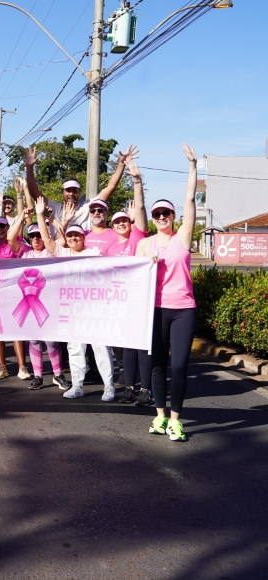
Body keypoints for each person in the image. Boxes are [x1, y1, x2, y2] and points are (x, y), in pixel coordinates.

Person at [136, 144, 198, 442]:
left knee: (180, 365)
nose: (161, 217)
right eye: (157, 213)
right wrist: (145, 264)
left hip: (183, 308)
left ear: (173, 216)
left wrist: (193, 166)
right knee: (158, 365)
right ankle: (159, 417)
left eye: (166, 213)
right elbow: (131, 276)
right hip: (155, 309)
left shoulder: (183, 237)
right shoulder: (145, 244)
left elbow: (189, 199)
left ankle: (176, 420)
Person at [39, 211, 115, 402]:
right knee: (75, 349)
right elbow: (47, 240)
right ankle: (77, 385)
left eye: (77, 235)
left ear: (83, 238)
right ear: (66, 238)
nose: (73, 238)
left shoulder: (93, 253)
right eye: (70, 235)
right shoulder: (63, 253)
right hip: (72, 311)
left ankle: (109, 386)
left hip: (94, 310)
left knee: (101, 348)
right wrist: (41, 216)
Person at [106, 158, 151, 405]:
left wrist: (136, 180)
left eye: (125, 220)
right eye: (117, 221)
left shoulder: (138, 236)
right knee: (125, 348)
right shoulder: (111, 247)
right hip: (118, 302)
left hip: (140, 299)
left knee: (143, 346)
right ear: (112, 226)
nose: (122, 223)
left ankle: (146, 389)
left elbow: (141, 211)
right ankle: (129, 387)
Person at [25, 144, 138, 230]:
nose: (71, 193)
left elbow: (111, 187)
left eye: (75, 190)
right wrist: (29, 168)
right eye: (68, 190)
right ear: (62, 193)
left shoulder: (89, 206)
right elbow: (33, 191)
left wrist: (121, 164)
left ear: (79, 192)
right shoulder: (54, 208)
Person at [0, 176, 31, 380]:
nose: (0, 229)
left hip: (14, 290)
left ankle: (22, 367)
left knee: (16, 329)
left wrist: (20, 194)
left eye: (3, 226)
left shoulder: (15, 239)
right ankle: (2, 367)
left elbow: (20, 216)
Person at [19, 213, 70, 391]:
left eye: (38, 235)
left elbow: (63, 238)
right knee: (34, 341)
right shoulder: (25, 255)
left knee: (52, 341)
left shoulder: (51, 251)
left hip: (50, 301)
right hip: (30, 305)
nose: (35, 238)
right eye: (32, 235)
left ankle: (58, 374)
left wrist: (49, 217)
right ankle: (38, 376)